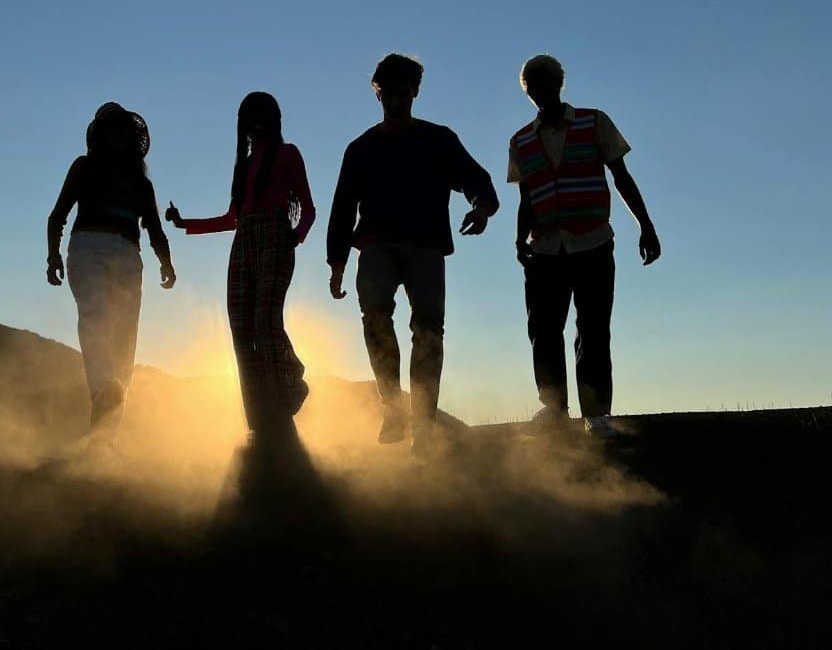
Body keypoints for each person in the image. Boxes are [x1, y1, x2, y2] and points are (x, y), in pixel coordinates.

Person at [327, 54, 499, 456]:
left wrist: (482, 208)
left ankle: (423, 421)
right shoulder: (362, 148)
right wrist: (337, 262)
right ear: (378, 94)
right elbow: (342, 206)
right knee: (375, 319)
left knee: (429, 331)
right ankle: (393, 407)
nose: (394, 100)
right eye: (387, 93)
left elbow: (478, 180)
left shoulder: (438, 140)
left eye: (402, 92)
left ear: (414, 92)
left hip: (425, 246)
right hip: (375, 247)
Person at [508, 55, 661, 439]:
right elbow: (527, 198)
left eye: (547, 84)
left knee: (592, 329)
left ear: (560, 84)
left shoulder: (594, 122)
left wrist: (646, 226)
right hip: (543, 248)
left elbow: (621, 176)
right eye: (533, 87)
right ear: (528, 92)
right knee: (543, 330)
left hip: (592, 242)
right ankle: (554, 408)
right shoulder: (521, 140)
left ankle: (596, 413)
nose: (540, 92)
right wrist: (519, 238)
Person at [165, 92, 315, 436]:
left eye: (262, 115)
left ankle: (291, 386)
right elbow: (232, 218)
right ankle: (259, 417)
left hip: (276, 237)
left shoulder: (288, 153)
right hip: (244, 240)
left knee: (265, 319)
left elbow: (309, 208)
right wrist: (184, 222)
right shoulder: (245, 166)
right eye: (250, 116)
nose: (256, 122)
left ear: (273, 119)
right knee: (239, 326)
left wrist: (294, 236)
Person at [47, 102, 176, 446]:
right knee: (96, 318)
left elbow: (154, 228)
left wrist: (166, 262)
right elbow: (58, 215)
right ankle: (104, 392)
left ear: (130, 137)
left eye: (121, 129)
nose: (115, 135)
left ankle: (104, 437)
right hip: (87, 248)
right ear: (100, 135)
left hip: (128, 256)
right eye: (110, 129)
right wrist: (52, 256)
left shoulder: (140, 184)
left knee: (124, 338)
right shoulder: (83, 168)